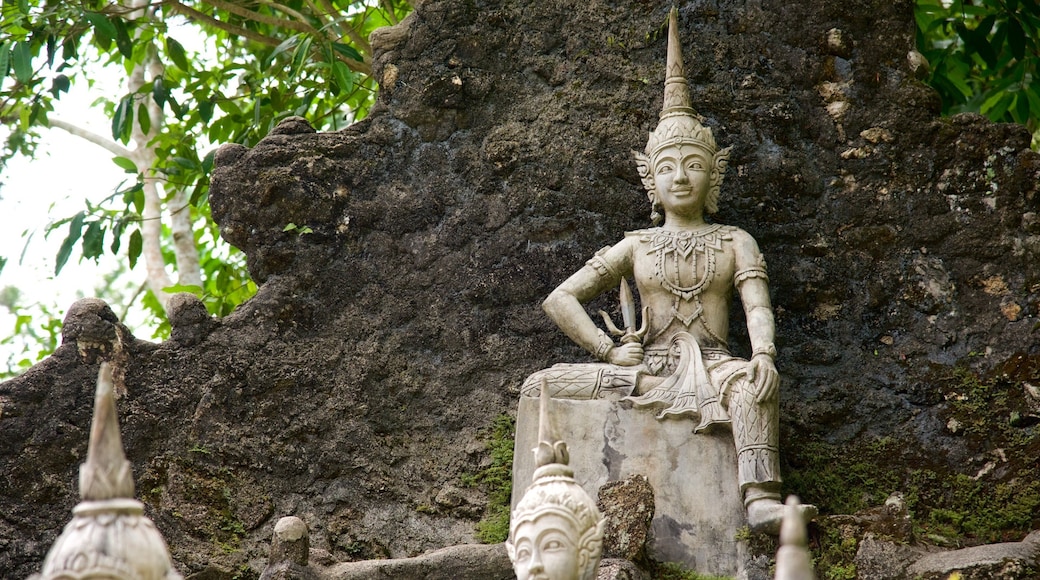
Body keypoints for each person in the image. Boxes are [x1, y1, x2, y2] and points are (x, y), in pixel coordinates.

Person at [521, 8, 812, 533]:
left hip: (718, 367)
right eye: (667, 167)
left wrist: (764, 354)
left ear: (713, 173)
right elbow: (559, 299)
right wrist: (609, 350)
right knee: (540, 385)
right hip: (643, 368)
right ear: (649, 181)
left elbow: (757, 309)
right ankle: (543, 516)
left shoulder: (735, 241)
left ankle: (760, 495)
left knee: (752, 385)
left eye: (693, 165)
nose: (681, 177)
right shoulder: (637, 246)